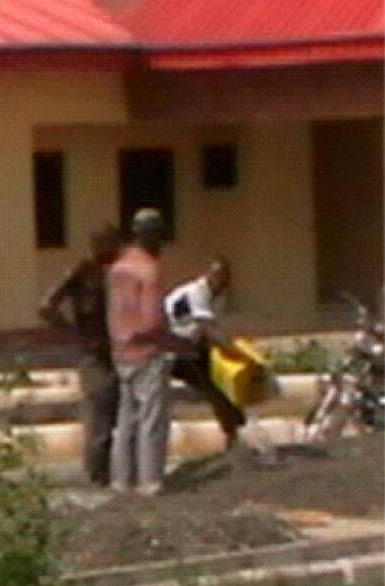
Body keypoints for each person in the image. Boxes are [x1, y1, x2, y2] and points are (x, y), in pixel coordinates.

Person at [38, 223, 121, 486]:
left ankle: (117, 475)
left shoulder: (119, 273)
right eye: (111, 243)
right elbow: (46, 306)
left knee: (120, 418)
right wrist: (76, 334)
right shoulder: (82, 272)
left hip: (121, 352)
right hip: (95, 354)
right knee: (99, 420)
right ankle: (97, 477)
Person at [106, 208, 172, 495]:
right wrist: (175, 342)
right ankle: (149, 480)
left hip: (121, 352)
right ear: (152, 236)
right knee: (150, 420)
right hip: (147, 353)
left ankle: (121, 480)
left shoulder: (118, 269)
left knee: (126, 421)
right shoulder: (149, 271)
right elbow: (152, 321)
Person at [165, 257, 247, 448]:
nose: (224, 287)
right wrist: (237, 351)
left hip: (188, 346)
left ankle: (232, 428)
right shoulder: (197, 293)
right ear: (213, 276)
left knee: (220, 384)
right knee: (215, 385)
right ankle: (232, 430)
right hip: (173, 349)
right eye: (222, 280)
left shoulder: (208, 297)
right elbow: (207, 327)